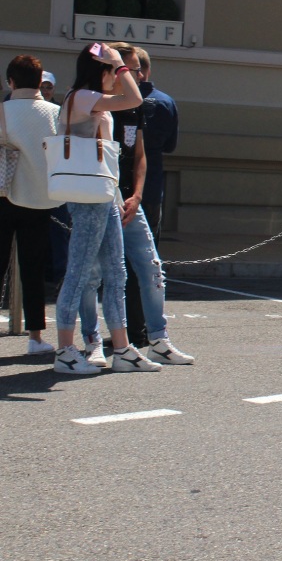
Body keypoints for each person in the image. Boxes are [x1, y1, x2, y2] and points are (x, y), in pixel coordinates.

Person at [79, 43, 194, 367]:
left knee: (152, 268)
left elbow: (140, 156)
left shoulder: (134, 109)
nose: (132, 75)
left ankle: (158, 338)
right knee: (92, 275)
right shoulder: (90, 102)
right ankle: (91, 342)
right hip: (97, 200)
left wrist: (137, 195)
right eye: (123, 69)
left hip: (130, 200)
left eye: (131, 69)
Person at [52, 43, 161, 374]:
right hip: (88, 197)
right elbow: (135, 98)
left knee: (116, 272)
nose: (119, 77)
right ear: (102, 71)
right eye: (113, 72)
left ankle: (122, 348)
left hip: (105, 193)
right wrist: (120, 64)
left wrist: (115, 65)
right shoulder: (82, 96)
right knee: (80, 272)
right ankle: (66, 351)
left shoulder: (92, 100)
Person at [0, 55, 62, 354]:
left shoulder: (3, 111)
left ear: (10, 81)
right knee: (33, 268)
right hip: (39, 197)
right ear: (40, 81)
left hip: (3, 193)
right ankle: (35, 337)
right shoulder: (55, 113)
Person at [135, 47, 178, 238]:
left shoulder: (114, 101)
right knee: (149, 249)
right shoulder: (166, 102)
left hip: (119, 186)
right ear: (148, 70)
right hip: (151, 184)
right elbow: (170, 146)